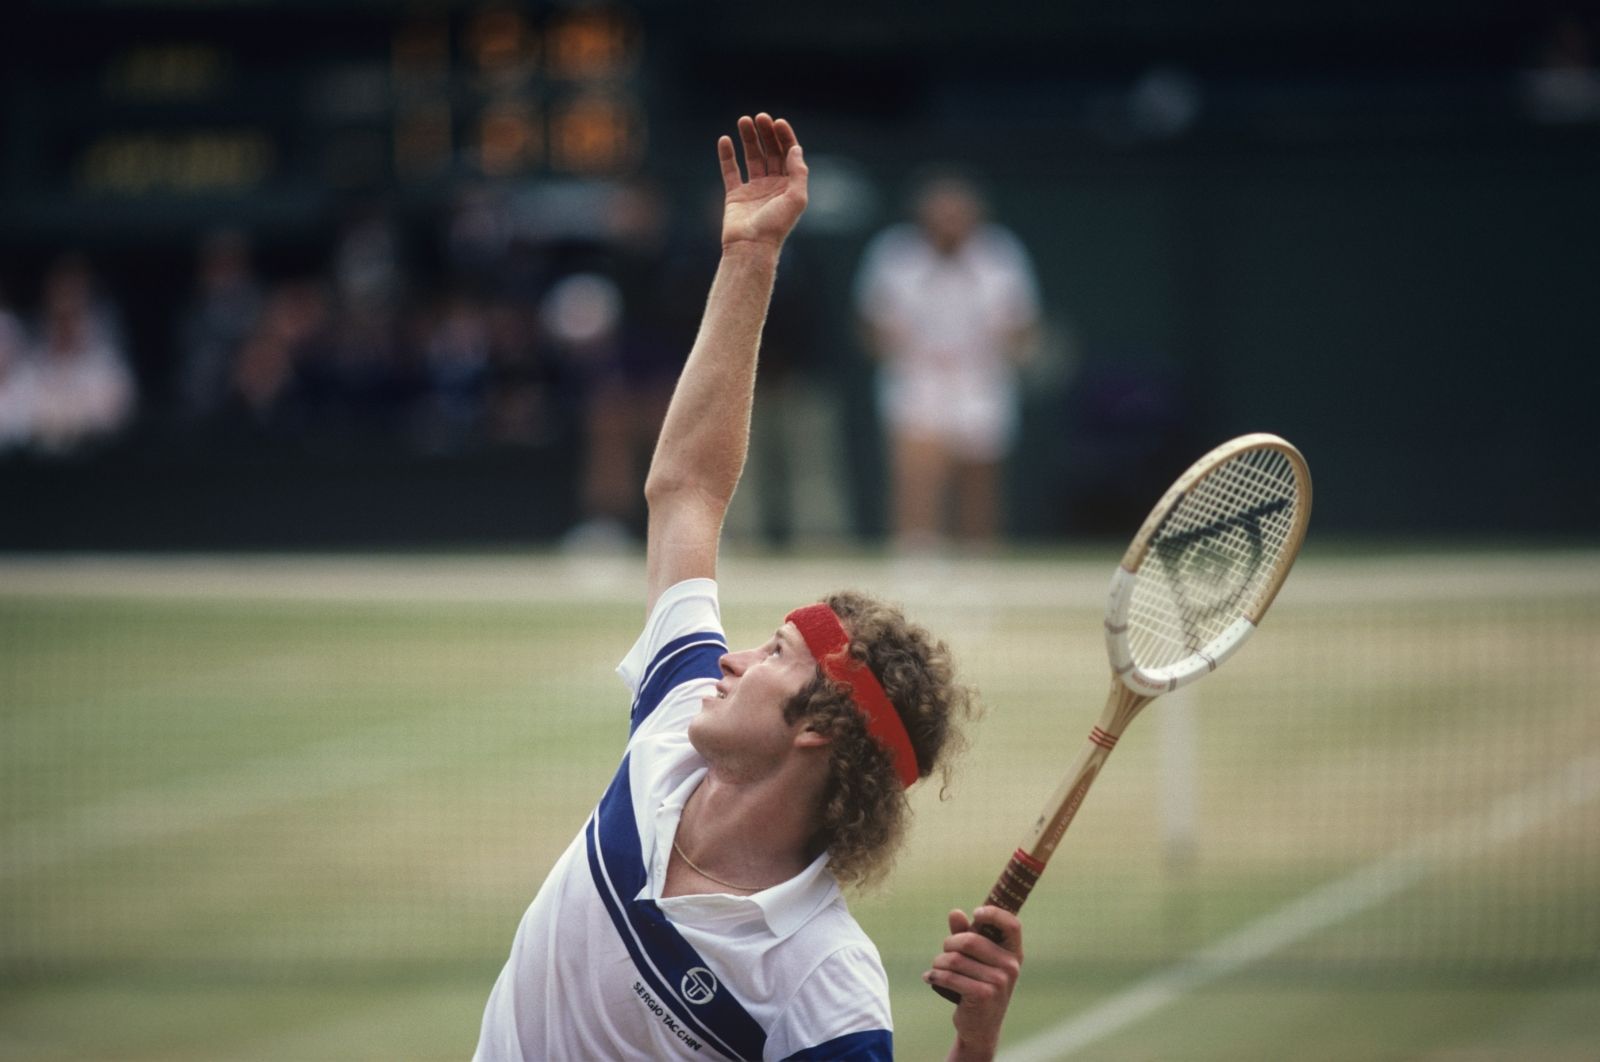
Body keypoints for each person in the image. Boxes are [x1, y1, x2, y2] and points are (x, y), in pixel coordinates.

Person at [473, 114, 1024, 1062]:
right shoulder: (672, 730)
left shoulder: (824, 987)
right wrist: (751, 255)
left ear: (818, 726)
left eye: (775, 654)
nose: (729, 656)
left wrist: (973, 1049)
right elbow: (685, 490)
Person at [854, 173, 1041, 553]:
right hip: (917, 377)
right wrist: (893, 343)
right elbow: (871, 323)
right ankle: (916, 555)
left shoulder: (1001, 253)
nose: (949, 225)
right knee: (917, 471)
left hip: (980, 379)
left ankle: (978, 557)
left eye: (958, 215)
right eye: (941, 215)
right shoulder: (894, 253)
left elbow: (1022, 324)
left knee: (980, 475)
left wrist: (1012, 346)